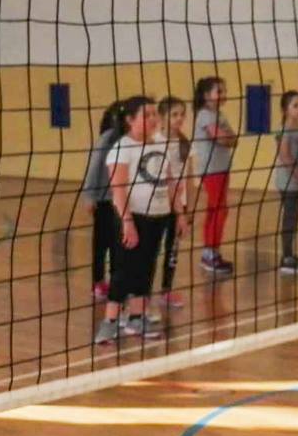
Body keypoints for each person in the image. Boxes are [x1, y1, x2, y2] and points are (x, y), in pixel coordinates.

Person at [94, 96, 177, 346]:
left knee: (147, 268)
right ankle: (109, 322)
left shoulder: (162, 143)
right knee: (124, 269)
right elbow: (118, 189)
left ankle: (137, 318)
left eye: (154, 114)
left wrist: (179, 214)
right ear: (130, 120)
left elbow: (170, 179)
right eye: (146, 115)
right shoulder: (122, 147)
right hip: (133, 216)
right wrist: (127, 222)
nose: (153, 119)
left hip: (159, 216)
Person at [189, 76, 238, 275]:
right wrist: (227, 137)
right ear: (206, 95)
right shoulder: (205, 115)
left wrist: (228, 137)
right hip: (212, 170)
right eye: (219, 91)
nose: (224, 95)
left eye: (224, 91)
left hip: (221, 168)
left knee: (216, 209)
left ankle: (211, 252)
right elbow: (222, 138)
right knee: (219, 209)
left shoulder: (219, 115)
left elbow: (233, 139)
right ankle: (210, 254)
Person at [79, 102, 125, 302]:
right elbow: (94, 167)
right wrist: (89, 196)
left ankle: (116, 280)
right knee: (101, 243)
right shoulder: (107, 138)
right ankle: (97, 282)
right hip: (104, 200)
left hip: (120, 199)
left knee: (118, 243)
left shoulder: (128, 139)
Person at [154, 96, 194, 308]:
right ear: (162, 117)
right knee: (152, 249)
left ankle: (166, 290)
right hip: (158, 203)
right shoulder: (154, 142)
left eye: (182, 115)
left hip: (180, 205)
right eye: (174, 115)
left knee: (173, 249)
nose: (179, 119)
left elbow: (190, 177)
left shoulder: (185, 143)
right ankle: (140, 293)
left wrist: (189, 209)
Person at [270, 91, 298, 275]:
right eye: (295, 105)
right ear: (285, 110)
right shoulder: (284, 130)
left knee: (294, 219)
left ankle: (291, 255)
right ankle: (286, 259)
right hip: (288, 182)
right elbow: (285, 156)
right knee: (289, 219)